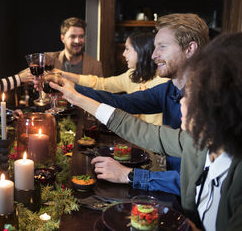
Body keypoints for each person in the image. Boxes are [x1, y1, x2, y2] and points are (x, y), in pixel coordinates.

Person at [50, 32, 242, 230]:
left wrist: (130, 175)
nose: (181, 101)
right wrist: (77, 97)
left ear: (223, 103)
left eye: (192, 94)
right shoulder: (200, 144)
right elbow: (142, 130)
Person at [65, 13, 210, 195]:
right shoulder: (168, 90)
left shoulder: (212, 101)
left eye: (162, 47)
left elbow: (196, 184)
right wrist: (71, 89)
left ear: (190, 49)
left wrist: (130, 175)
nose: (153, 55)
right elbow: (122, 102)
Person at [60, 32, 169, 125]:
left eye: (127, 49)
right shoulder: (133, 75)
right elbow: (101, 84)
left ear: (140, 51)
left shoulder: (164, 82)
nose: (123, 53)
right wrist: (63, 75)